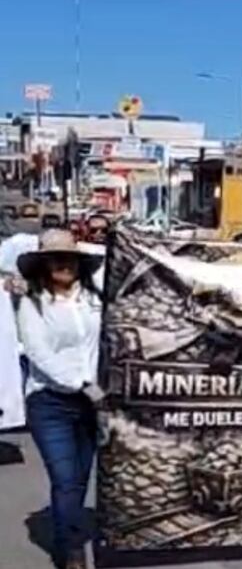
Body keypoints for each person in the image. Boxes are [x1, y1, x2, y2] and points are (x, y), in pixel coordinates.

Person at [16, 229, 104, 569]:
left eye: (69, 259)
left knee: (79, 479)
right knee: (65, 478)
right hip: (50, 402)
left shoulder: (94, 299)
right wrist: (81, 383)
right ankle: (72, 552)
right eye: (56, 259)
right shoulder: (33, 302)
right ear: (43, 264)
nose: (63, 265)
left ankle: (64, 531)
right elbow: (39, 353)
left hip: (90, 403)